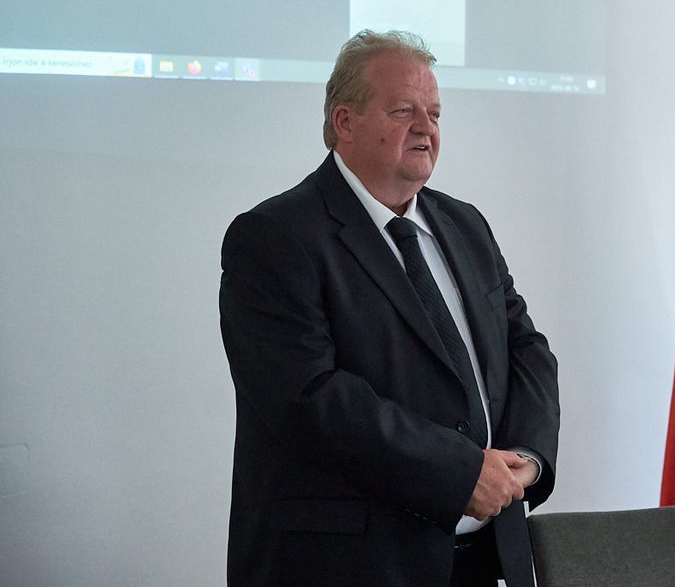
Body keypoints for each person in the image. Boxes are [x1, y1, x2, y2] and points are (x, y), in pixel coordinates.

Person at [219, 30, 559, 587]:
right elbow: (310, 399)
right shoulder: (274, 237)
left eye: (434, 113)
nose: (426, 127)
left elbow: (526, 349)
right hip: (350, 565)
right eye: (403, 111)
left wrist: (528, 457)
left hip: (484, 559)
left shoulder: (466, 225)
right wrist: (459, 473)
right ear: (345, 122)